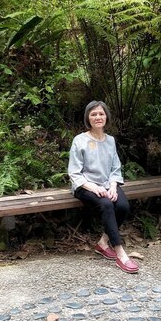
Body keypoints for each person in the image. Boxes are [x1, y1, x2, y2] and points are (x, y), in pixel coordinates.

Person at [68, 100, 139, 274]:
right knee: (107, 204)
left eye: (101, 113)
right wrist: (93, 187)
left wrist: (114, 186)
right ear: (88, 118)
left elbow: (116, 167)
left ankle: (102, 243)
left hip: (107, 184)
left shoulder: (110, 140)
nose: (98, 117)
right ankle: (121, 253)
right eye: (93, 114)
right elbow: (74, 173)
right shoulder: (80, 140)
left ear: (106, 116)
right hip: (84, 185)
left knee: (122, 206)